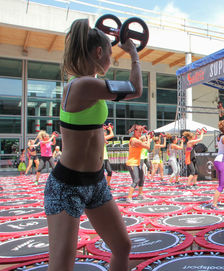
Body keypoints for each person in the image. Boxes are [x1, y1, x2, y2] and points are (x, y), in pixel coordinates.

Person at [44, 18, 142, 271]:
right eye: (110, 53)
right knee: (61, 266)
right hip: (67, 186)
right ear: (99, 52)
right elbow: (136, 89)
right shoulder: (82, 85)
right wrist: (133, 54)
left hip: (95, 182)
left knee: (122, 247)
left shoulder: (90, 84)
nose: (111, 59)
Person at [126, 125, 151, 201]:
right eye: (139, 132)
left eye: (141, 132)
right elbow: (147, 147)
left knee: (142, 178)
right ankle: (129, 197)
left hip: (137, 162)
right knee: (136, 180)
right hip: (132, 163)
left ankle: (140, 195)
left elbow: (142, 141)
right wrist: (149, 138)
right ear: (134, 131)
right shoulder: (134, 140)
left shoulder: (136, 139)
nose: (140, 133)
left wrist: (146, 138)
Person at [103, 123, 114, 189]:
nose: (106, 133)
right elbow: (112, 135)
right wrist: (110, 129)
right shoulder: (101, 137)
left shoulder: (104, 138)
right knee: (101, 174)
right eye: (105, 132)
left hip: (105, 158)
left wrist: (109, 128)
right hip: (100, 158)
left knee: (109, 171)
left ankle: (108, 184)